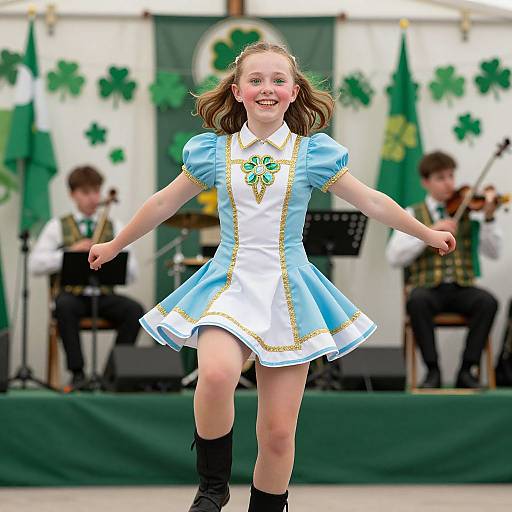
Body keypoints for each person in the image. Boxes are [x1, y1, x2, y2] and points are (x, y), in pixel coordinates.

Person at [88, 42, 455, 512]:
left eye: (278, 80)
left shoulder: (312, 154)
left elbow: (372, 201)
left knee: (278, 434)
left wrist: (425, 232)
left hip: (289, 288)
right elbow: (163, 202)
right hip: (229, 279)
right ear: (237, 91)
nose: (267, 88)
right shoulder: (214, 152)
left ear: (294, 91)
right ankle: (212, 487)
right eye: (256, 80)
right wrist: (115, 244)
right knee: (217, 374)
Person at [386, 151, 502, 389]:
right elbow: (393, 257)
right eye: (440, 177)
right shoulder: (413, 214)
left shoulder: (468, 213)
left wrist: (489, 218)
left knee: (488, 302)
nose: (449, 183)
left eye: (451, 176)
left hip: (461, 288)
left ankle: (466, 370)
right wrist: (428, 232)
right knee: (416, 300)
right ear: (425, 182)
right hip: (429, 290)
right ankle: (432, 371)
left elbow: (494, 252)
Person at [30, 165, 144, 390]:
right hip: (74, 297)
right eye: (85, 192)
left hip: (103, 296)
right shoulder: (57, 226)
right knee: (63, 305)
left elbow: (133, 272)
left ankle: (111, 374)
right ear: (73, 195)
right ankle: (78, 373)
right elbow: (34, 264)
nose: (93, 198)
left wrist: (112, 254)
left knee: (134, 310)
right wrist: (70, 252)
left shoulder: (114, 225)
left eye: (96, 191)